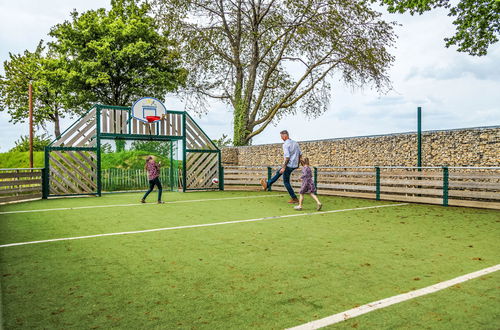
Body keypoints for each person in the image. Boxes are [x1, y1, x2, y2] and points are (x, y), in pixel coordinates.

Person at [260, 130, 301, 204]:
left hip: (288, 165)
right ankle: (267, 184)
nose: (281, 138)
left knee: (286, 182)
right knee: (278, 173)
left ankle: (294, 198)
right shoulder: (296, 143)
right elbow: (300, 154)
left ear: (285, 136)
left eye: (281, 136)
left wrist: (284, 167)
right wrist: (297, 165)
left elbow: (287, 157)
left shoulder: (285, 144)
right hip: (294, 165)